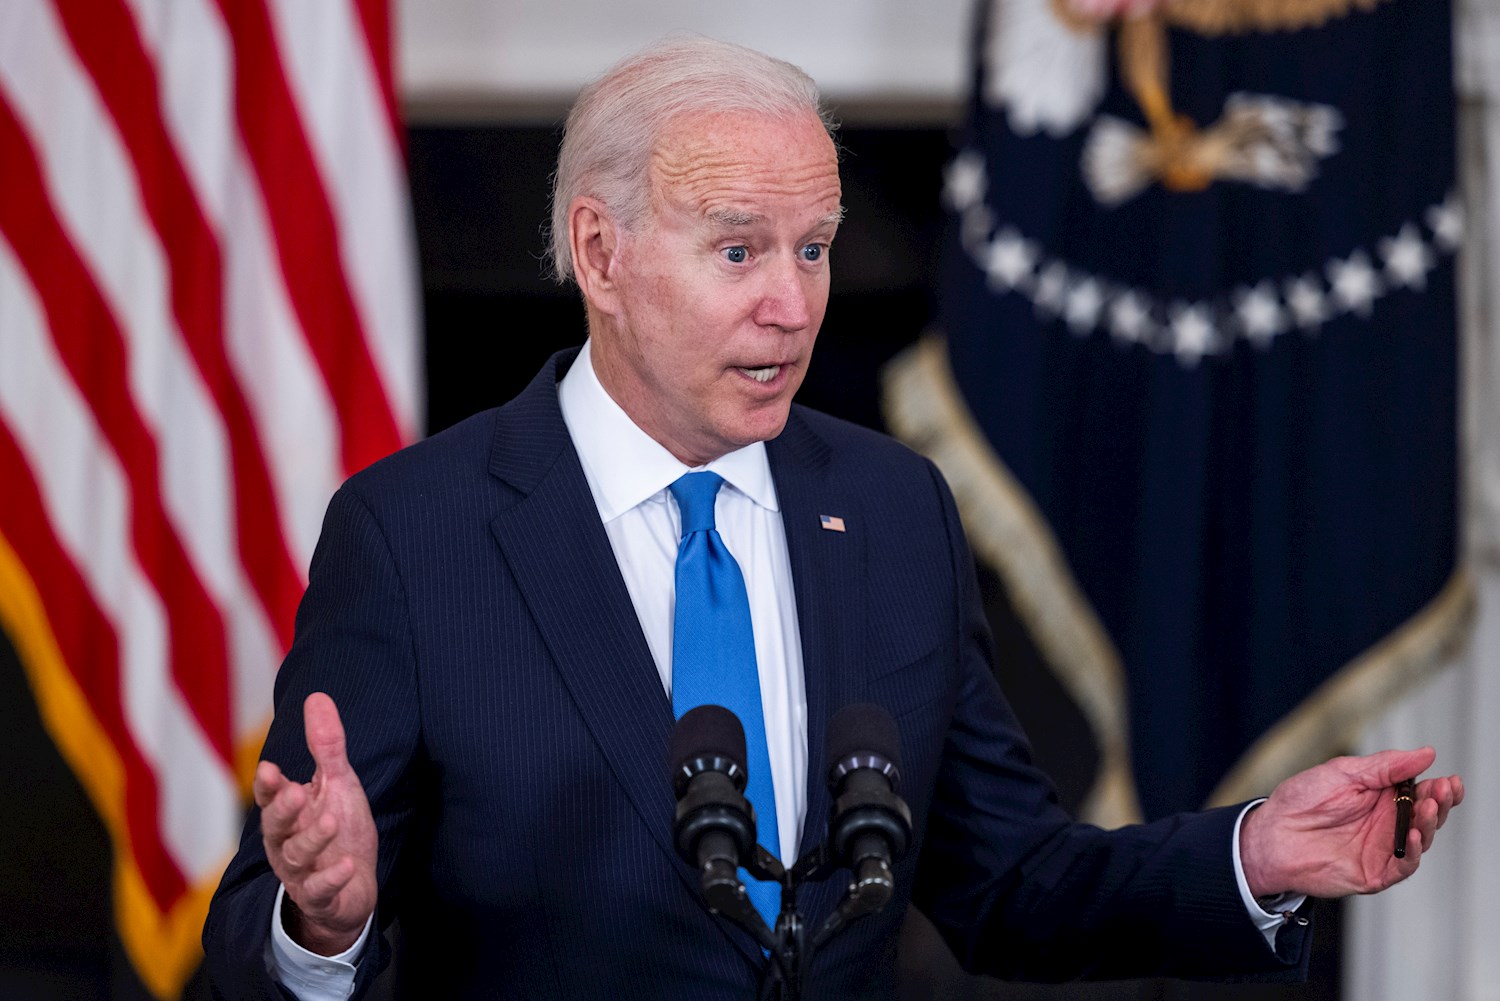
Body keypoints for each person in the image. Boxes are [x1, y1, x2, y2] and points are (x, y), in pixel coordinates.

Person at [202, 37, 1463, 1000]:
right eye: (739, 250)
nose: (794, 306)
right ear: (600, 253)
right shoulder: (416, 533)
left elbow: (1011, 878)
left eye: (815, 248)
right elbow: (254, 942)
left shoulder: (889, 504)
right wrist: (326, 920)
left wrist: (1258, 856)